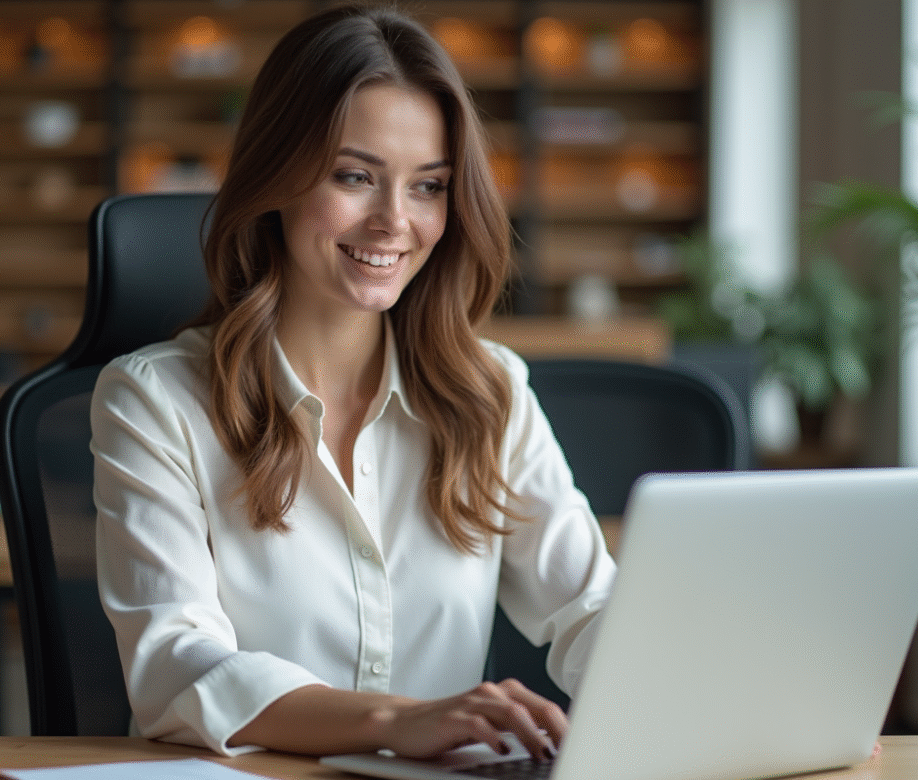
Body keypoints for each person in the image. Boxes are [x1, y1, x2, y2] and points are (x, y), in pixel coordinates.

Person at [91, 3, 616, 761]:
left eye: (428, 186)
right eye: (354, 177)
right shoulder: (155, 401)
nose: (393, 222)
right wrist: (394, 721)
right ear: (277, 176)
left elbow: (591, 608)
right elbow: (178, 666)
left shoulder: (489, 392)